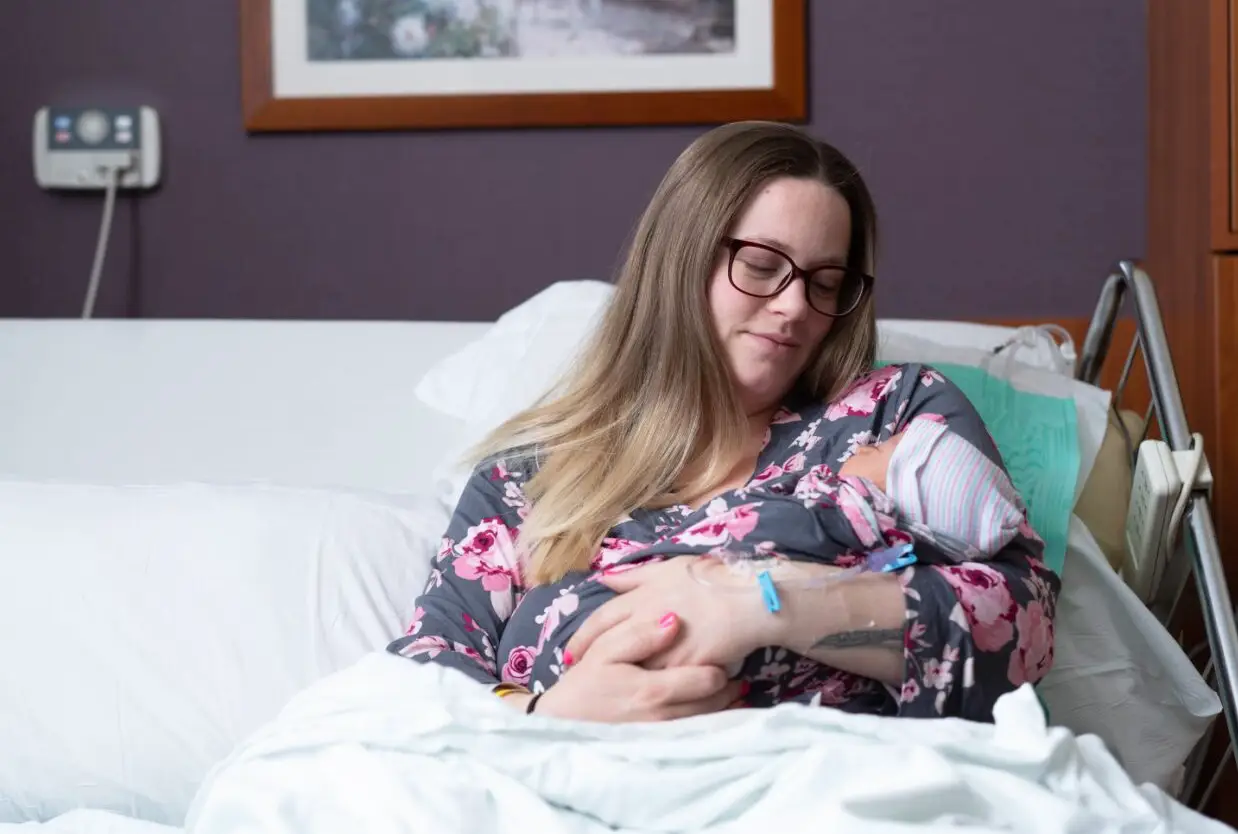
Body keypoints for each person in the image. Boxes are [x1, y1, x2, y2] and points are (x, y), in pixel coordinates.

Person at [387, 120, 1060, 724]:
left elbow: (1020, 629)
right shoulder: (527, 480)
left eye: (826, 283)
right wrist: (545, 714)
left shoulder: (895, 418)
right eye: (762, 267)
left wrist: (763, 603)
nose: (795, 307)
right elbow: (425, 672)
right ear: (680, 261)